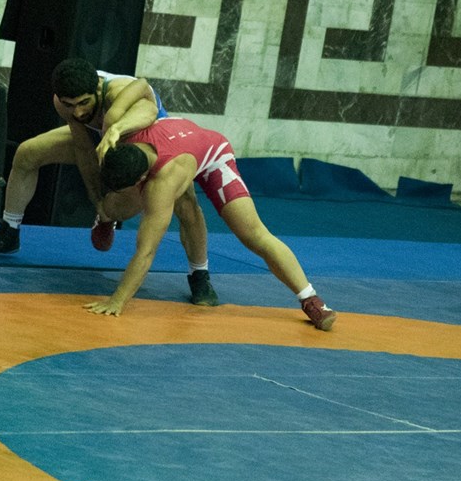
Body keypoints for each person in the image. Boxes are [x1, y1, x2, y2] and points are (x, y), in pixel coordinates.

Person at [0, 58, 218, 306]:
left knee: (185, 202)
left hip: (144, 143)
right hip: (101, 140)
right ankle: (9, 231)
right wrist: (96, 198)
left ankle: (199, 274)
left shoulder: (118, 92)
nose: (78, 112)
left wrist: (116, 129)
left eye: (84, 103)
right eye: (70, 105)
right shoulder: (63, 103)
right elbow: (84, 149)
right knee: (27, 153)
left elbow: (148, 105)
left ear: (97, 90)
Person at [90, 117, 336, 329]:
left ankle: (310, 299)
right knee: (121, 206)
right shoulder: (124, 139)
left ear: (142, 178)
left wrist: (118, 300)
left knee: (253, 233)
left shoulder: (161, 184)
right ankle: (106, 217)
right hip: (179, 146)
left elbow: (146, 250)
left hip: (212, 154)